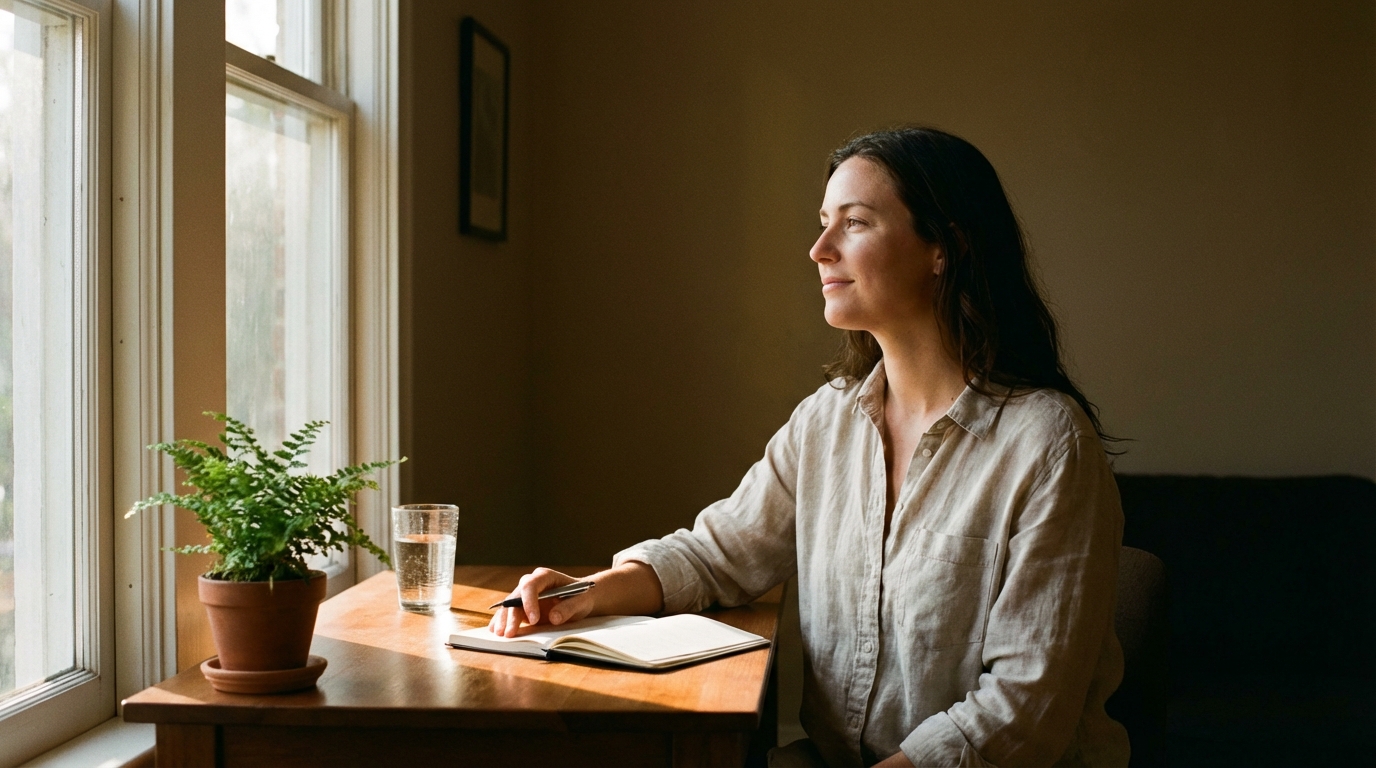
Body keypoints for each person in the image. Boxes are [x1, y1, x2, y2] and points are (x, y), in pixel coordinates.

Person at [489, 126, 1130, 768]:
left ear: (945, 248)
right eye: (824, 223)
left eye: (854, 223)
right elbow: (719, 555)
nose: (819, 249)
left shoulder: (1049, 446)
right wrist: (582, 593)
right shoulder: (826, 421)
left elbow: (1021, 713)